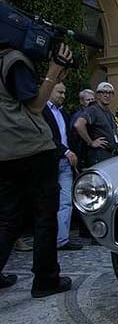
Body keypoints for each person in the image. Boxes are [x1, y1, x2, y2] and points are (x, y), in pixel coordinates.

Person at [0, 42, 73, 297]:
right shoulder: (14, 59)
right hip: (32, 148)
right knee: (45, 215)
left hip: (6, 151)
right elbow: (34, 106)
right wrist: (53, 70)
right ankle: (45, 279)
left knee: (8, 218)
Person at [41, 83, 82, 251]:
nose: (63, 95)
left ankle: (61, 239)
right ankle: (46, 240)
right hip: (49, 161)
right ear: (50, 90)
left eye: (64, 92)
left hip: (66, 163)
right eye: (60, 92)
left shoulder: (63, 113)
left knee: (65, 202)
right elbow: (46, 136)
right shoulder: (41, 111)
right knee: (46, 203)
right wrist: (65, 151)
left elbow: (68, 136)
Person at [74, 82, 118, 166]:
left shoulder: (109, 112)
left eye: (110, 93)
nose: (107, 95)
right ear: (97, 95)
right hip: (99, 155)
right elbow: (78, 124)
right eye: (103, 92)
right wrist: (91, 142)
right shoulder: (93, 110)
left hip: (111, 155)